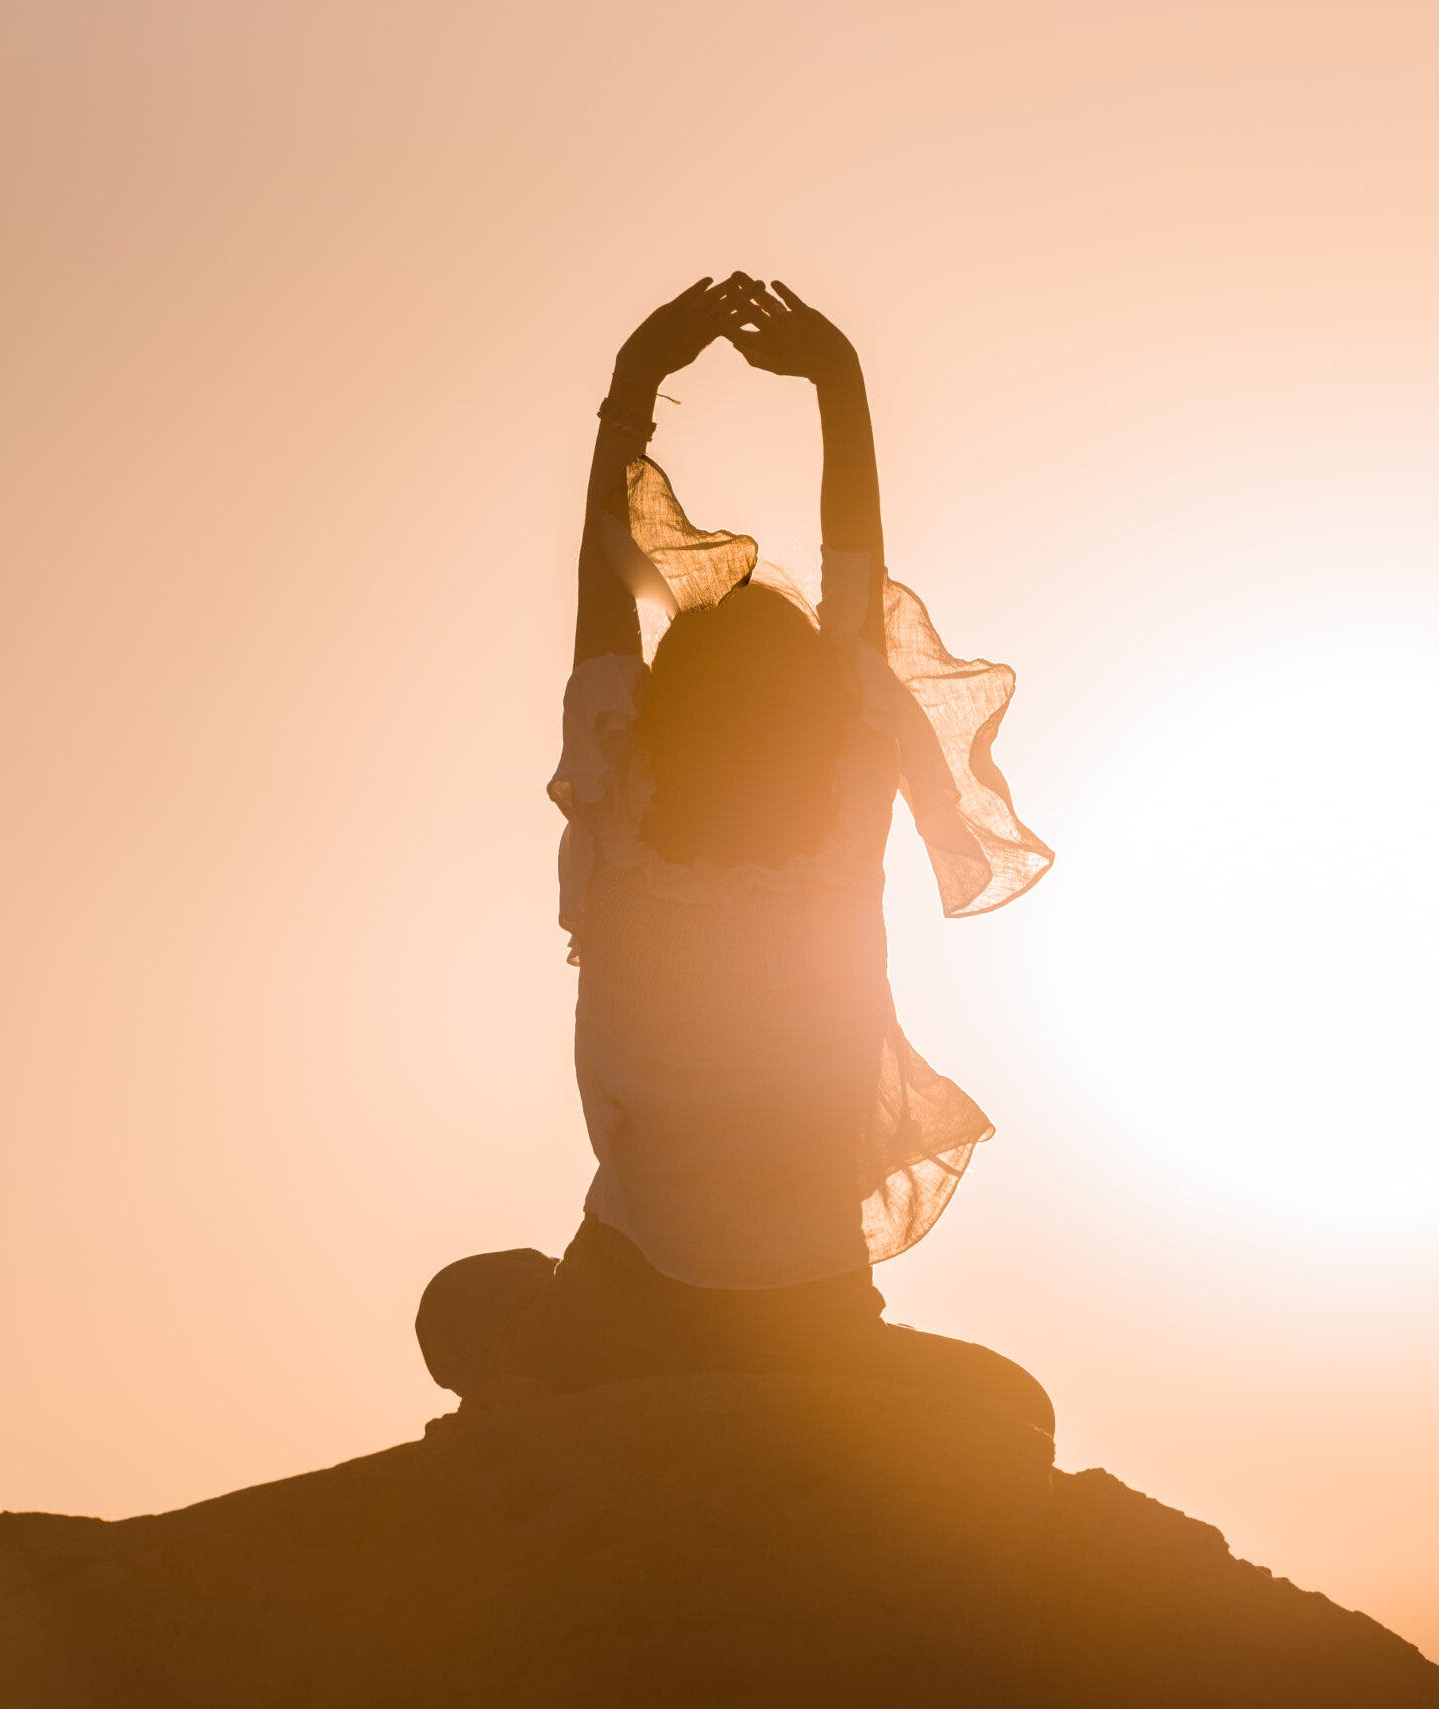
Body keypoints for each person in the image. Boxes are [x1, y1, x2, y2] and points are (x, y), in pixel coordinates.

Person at [418, 274, 1054, 1437]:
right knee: (1011, 1410)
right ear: (823, 711)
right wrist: (837, 385)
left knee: (469, 1303)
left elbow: (604, 589)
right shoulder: (843, 819)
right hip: (810, 1308)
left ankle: (557, 1388)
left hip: (626, 1296)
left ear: (663, 704)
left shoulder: (619, 810)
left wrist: (633, 393)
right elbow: (853, 578)